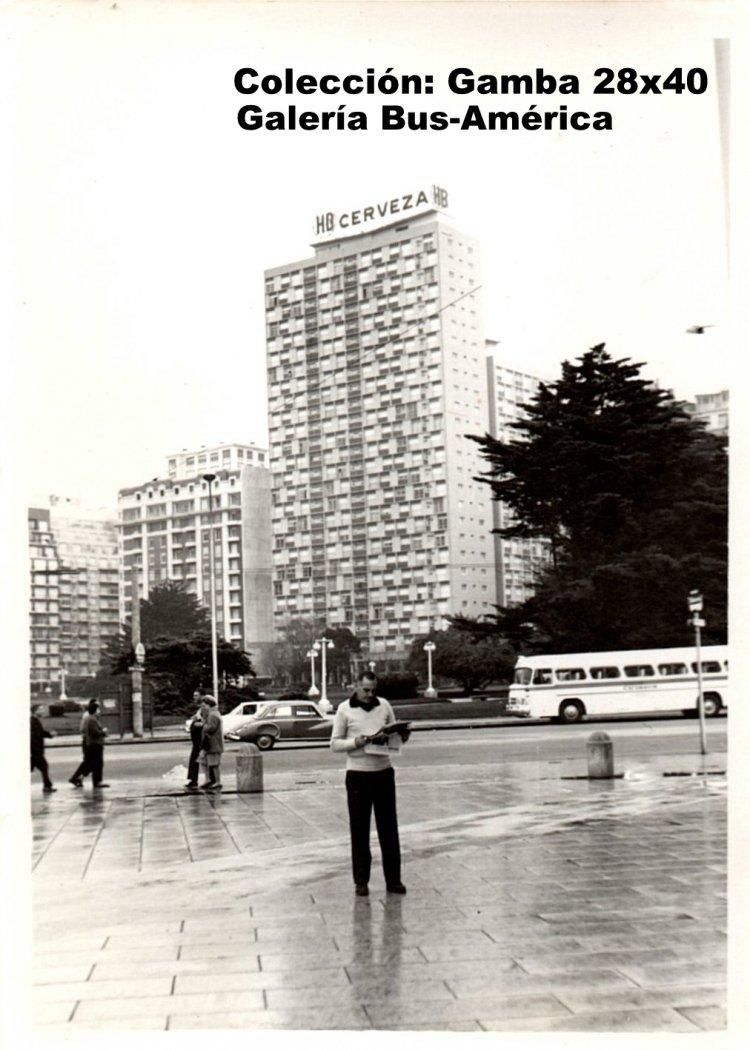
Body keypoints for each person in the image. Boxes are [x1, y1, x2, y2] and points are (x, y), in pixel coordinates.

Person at [330, 670, 410, 897]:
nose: (369, 694)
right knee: (360, 829)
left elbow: (394, 732)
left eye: (373, 690)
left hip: (383, 771)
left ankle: (393, 880)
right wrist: (357, 741)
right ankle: (361, 881)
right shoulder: (344, 709)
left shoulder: (384, 705)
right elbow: (334, 744)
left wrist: (401, 735)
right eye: (365, 689)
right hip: (358, 774)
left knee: (389, 828)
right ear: (355, 686)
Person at [70, 699, 109, 788]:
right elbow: (93, 732)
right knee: (93, 763)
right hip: (93, 744)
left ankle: (80, 778)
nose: (100, 710)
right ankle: (80, 778)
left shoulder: (92, 718)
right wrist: (103, 732)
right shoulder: (90, 718)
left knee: (91, 763)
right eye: (98, 708)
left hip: (91, 743)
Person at [199, 696, 224, 791]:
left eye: (204, 705)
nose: (203, 707)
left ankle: (217, 781)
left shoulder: (212, 715)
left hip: (213, 743)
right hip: (210, 743)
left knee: (214, 764)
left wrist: (203, 725)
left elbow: (211, 728)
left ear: (209, 705)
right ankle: (209, 779)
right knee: (204, 761)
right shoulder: (214, 713)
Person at [30, 706, 56, 793]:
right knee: (44, 767)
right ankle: (47, 786)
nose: (42, 711)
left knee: (42, 767)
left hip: (36, 751)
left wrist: (50, 734)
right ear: (34, 711)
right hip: (35, 751)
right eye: (40, 709)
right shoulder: (32, 722)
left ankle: (47, 786)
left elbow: (41, 732)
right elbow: (33, 737)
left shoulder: (35, 721)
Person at [185, 697, 205, 790]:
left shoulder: (205, 711)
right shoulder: (199, 711)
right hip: (196, 741)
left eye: (197, 695)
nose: (195, 697)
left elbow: (205, 723)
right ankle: (193, 779)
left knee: (197, 760)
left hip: (200, 741)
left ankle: (195, 779)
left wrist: (199, 723)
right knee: (194, 760)